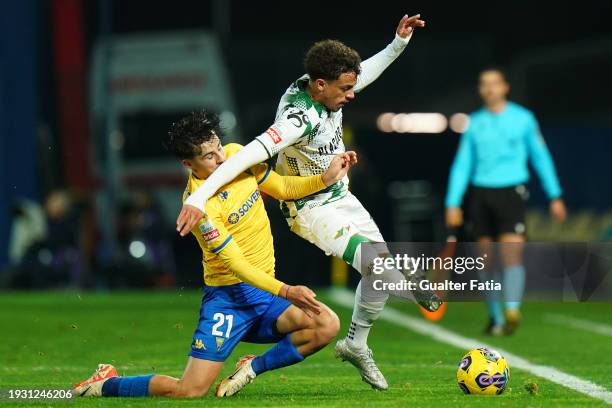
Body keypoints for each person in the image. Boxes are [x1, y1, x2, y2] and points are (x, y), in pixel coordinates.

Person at [175, 14, 440, 391]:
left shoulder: (329, 86)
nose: (352, 94)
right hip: (309, 207)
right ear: (319, 86)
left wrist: (398, 43)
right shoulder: (298, 119)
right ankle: (407, 280)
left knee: (376, 278)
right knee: (377, 264)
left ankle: (356, 344)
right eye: (346, 88)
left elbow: (366, 72)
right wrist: (199, 196)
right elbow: (245, 155)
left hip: (339, 194)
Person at [72, 110, 357, 398]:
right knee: (190, 390)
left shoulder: (236, 155)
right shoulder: (199, 207)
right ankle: (105, 383)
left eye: (218, 146)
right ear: (188, 164)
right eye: (209, 156)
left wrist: (325, 179)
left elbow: (282, 187)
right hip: (229, 300)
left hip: (264, 293)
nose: (220, 158)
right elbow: (236, 263)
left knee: (326, 324)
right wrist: (286, 290)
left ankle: (251, 368)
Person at [445, 67, 567, 336]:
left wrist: (554, 195)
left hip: (511, 192)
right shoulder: (474, 122)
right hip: (480, 194)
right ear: (480, 89)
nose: (489, 89)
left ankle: (512, 309)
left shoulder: (523, 119)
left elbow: (541, 157)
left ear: (505, 87)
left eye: (494, 83)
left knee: (511, 254)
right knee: (485, 261)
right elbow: (462, 164)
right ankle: (496, 317)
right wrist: (452, 202)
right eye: (484, 84)